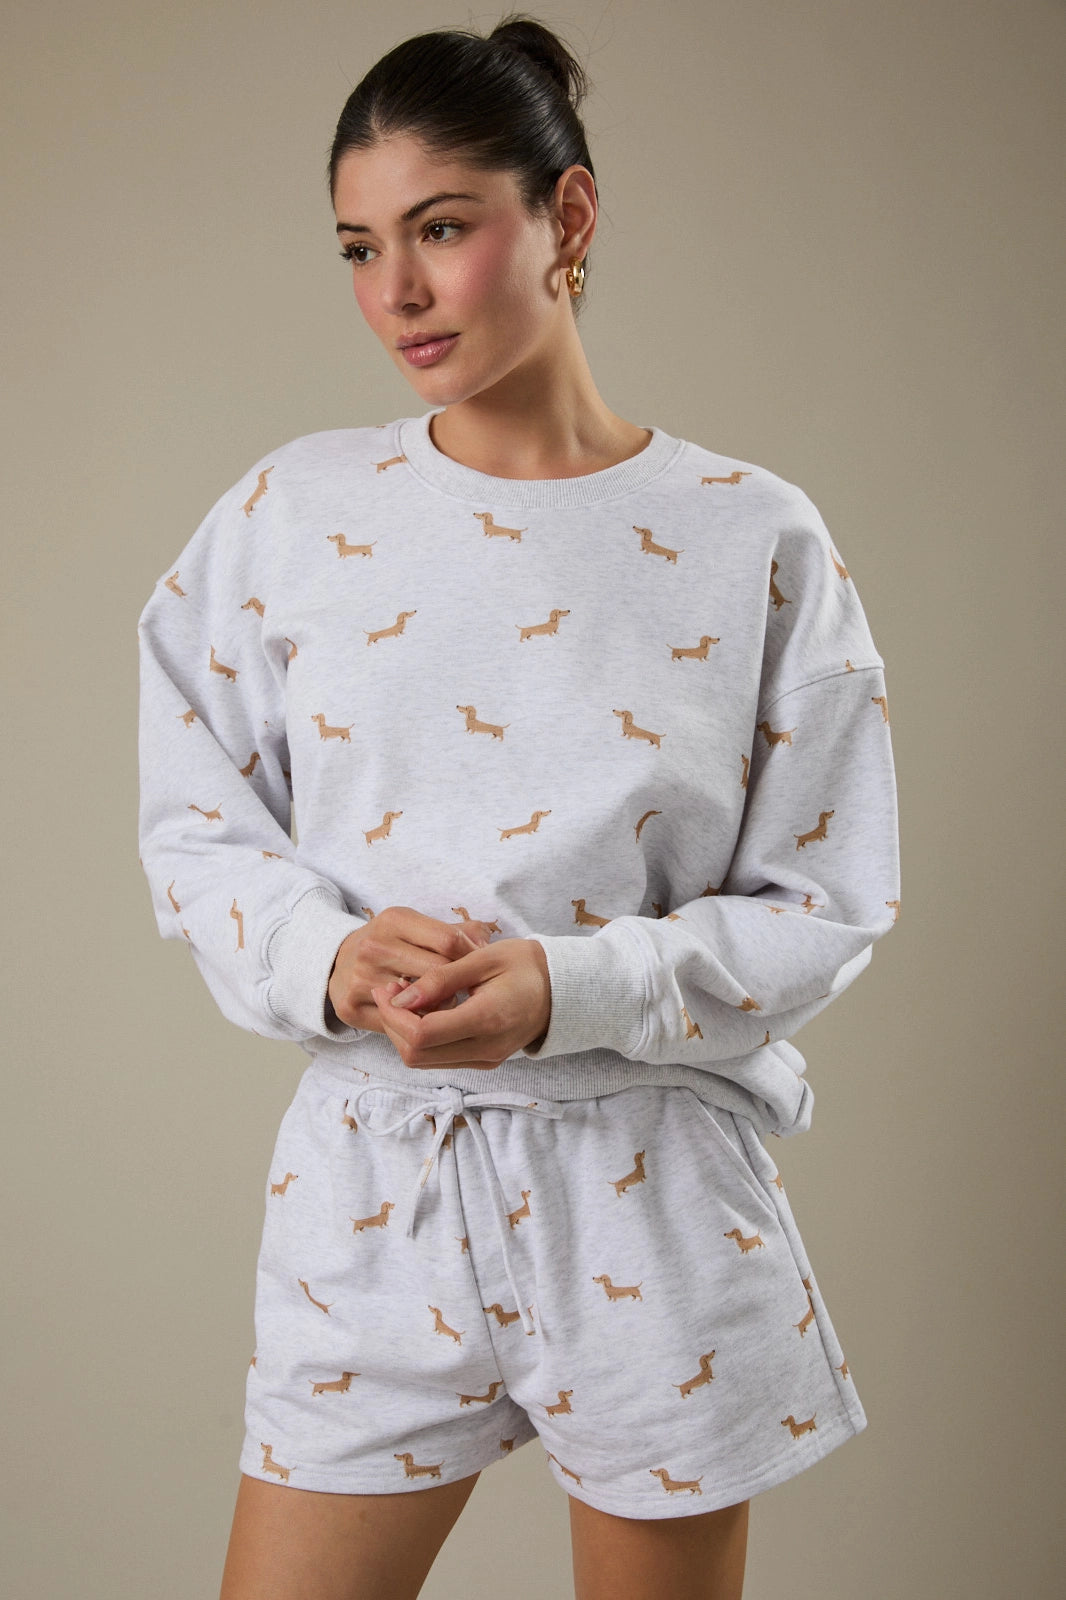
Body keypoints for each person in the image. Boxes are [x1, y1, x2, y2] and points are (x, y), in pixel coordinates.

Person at [136, 14, 901, 1599]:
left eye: (439, 228)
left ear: (567, 216)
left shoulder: (748, 536)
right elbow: (197, 822)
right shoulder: (292, 515)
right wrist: (325, 957)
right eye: (359, 247)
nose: (395, 292)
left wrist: (573, 985)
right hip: (375, 1190)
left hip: (654, 1194)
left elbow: (825, 903)